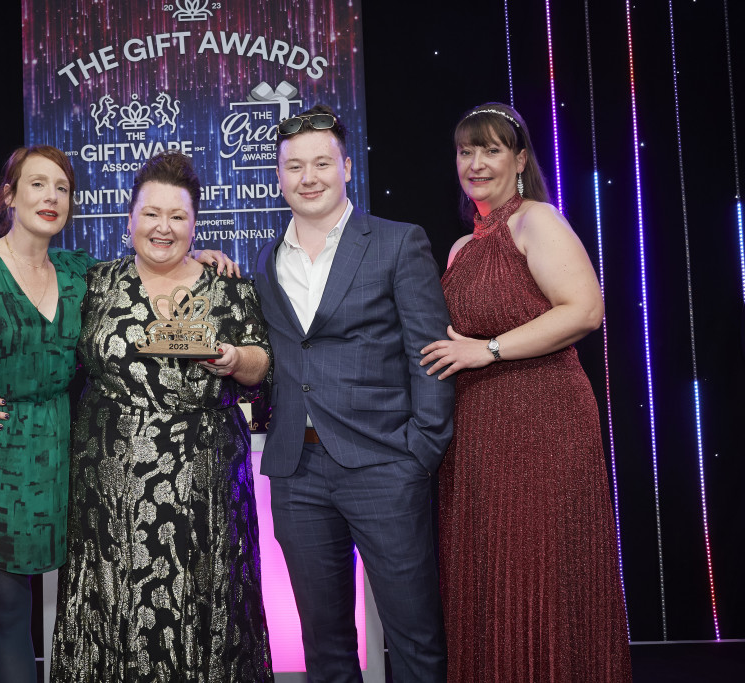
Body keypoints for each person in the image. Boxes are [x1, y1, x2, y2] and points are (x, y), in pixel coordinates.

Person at [0, 145, 234, 683]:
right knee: (11, 611)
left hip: (53, 457)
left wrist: (196, 260)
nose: (51, 197)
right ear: (9, 197)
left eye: (62, 188)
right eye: (38, 184)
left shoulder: (78, 272)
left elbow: (142, 274)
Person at [420, 102, 632, 682]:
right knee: (486, 574)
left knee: (538, 573)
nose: (476, 162)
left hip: (544, 419)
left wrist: (485, 350)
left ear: (519, 160)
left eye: (491, 149)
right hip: (477, 430)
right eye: (467, 151)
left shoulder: (538, 220)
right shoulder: (461, 249)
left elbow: (585, 310)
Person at [50, 151, 274, 682]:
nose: (163, 228)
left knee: (202, 601)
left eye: (178, 217)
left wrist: (233, 358)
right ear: (129, 218)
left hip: (205, 485)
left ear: (195, 223)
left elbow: (261, 363)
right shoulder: (94, 283)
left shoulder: (228, 285)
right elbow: (35, 321)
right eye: (151, 214)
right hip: (108, 490)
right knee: (113, 605)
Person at [253, 104, 454, 682]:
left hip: (387, 464)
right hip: (296, 471)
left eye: (321, 162)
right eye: (294, 166)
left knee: (414, 636)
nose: (308, 176)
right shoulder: (267, 260)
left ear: (346, 167)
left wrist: (421, 451)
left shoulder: (397, 242)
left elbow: (429, 353)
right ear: (279, 176)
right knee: (325, 643)